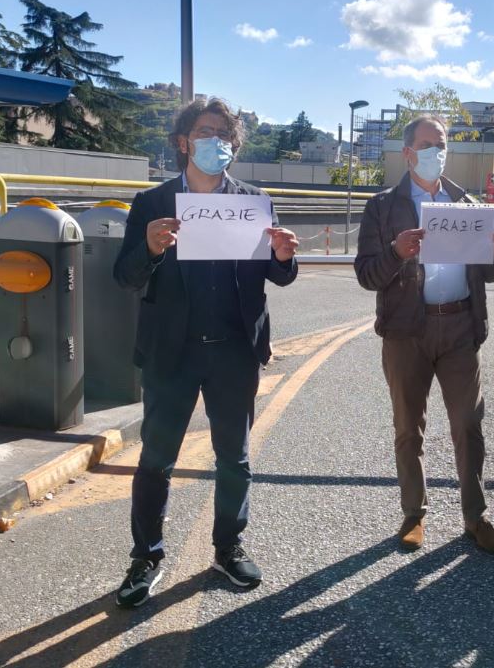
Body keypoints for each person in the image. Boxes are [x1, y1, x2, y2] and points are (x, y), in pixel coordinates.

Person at [112, 98, 299, 607]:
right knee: (156, 459)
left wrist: (283, 256)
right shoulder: (152, 202)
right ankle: (146, 556)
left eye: (225, 135)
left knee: (234, 458)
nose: (217, 141)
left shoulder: (253, 202)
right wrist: (150, 249)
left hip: (235, 351)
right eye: (205, 132)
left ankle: (227, 546)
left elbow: (276, 274)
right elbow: (125, 277)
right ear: (183, 142)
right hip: (171, 352)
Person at [354, 115, 494, 555]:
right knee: (409, 427)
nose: (435, 153)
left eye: (441, 145)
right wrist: (395, 252)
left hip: (460, 325)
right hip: (406, 330)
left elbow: (487, 273)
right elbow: (367, 275)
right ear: (407, 152)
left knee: (468, 423)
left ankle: (475, 515)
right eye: (426, 145)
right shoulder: (382, 207)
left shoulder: (467, 204)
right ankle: (413, 513)